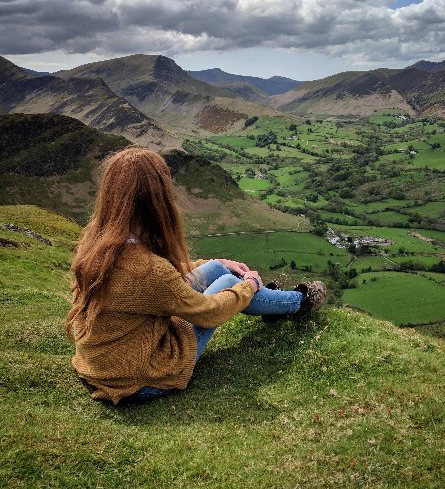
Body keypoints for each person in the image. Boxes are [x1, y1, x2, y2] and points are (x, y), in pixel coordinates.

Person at [66, 146, 326, 404]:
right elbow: (208, 312)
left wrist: (214, 262)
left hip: (103, 363)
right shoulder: (150, 272)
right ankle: (298, 302)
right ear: (157, 200)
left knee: (217, 269)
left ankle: (274, 305)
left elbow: (157, 278)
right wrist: (248, 286)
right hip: (139, 377)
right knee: (228, 282)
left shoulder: (97, 245)